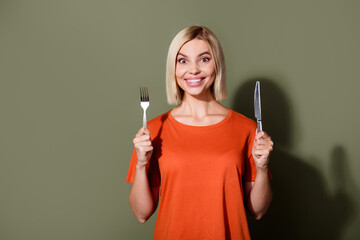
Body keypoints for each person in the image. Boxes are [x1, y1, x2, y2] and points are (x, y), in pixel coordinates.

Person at [126, 25, 273, 240]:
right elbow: (141, 213)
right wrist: (140, 164)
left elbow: (258, 211)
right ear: (173, 68)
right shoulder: (154, 130)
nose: (193, 70)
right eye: (183, 60)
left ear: (217, 65)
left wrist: (262, 168)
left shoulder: (247, 129)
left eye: (204, 59)